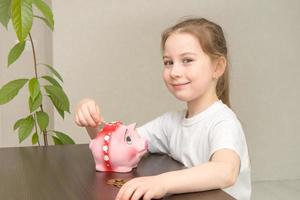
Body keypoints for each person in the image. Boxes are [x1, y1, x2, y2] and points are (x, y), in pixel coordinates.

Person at [74, 17, 251, 200]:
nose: (174, 72)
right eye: (168, 62)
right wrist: (90, 120)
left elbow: (225, 171)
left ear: (218, 67)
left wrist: (161, 182)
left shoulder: (223, 122)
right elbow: (119, 150)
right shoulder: (170, 124)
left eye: (187, 60)